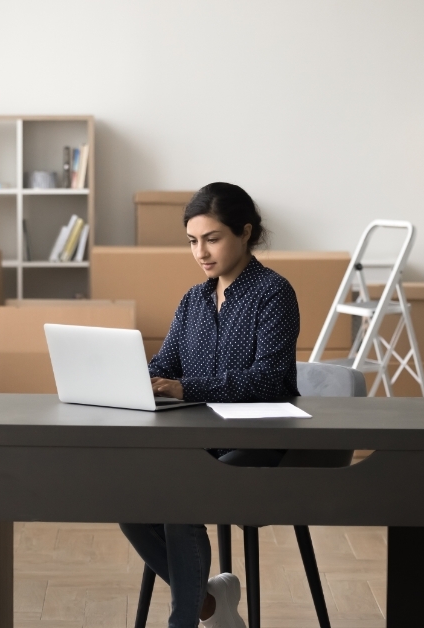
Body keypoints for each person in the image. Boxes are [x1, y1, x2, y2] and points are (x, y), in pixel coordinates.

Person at [120, 182, 300, 628]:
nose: (201, 252)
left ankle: (183, 622)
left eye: (212, 238)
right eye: (192, 241)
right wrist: (129, 378)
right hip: (199, 441)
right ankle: (209, 605)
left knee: (182, 500)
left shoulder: (273, 294)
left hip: (262, 443)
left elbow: (265, 381)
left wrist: (184, 388)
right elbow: (165, 363)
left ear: (245, 232)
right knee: (129, 506)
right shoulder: (194, 299)